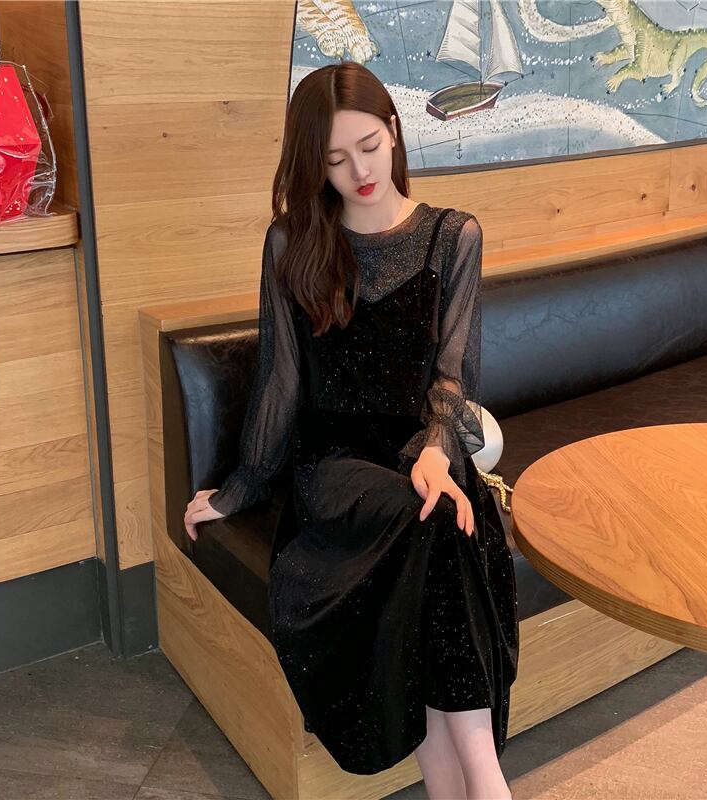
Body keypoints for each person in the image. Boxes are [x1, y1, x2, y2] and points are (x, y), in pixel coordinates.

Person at [183, 60, 519, 800]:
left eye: (369, 146)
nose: (360, 171)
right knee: (431, 524)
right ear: (315, 164)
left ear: (394, 130)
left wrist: (436, 453)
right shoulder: (292, 243)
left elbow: (453, 376)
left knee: (435, 514)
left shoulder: (453, 236)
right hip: (336, 465)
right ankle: (488, 780)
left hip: (422, 451)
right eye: (336, 159)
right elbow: (281, 382)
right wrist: (240, 489)